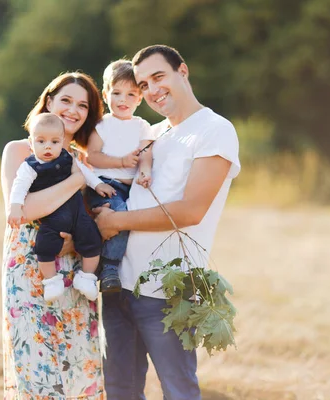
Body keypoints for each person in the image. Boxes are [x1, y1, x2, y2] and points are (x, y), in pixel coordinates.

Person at [94, 45, 241, 400]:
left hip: (167, 292)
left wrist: (115, 220)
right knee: (120, 391)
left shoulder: (214, 130)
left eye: (159, 77)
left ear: (183, 72)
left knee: (178, 390)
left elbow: (191, 210)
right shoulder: (152, 133)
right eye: (143, 85)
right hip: (118, 286)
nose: (152, 90)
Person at [0, 72, 106, 399]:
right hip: (31, 269)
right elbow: (26, 210)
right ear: (49, 102)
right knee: (37, 367)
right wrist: (75, 180)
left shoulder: (83, 159)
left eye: (83, 105)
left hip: (76, 273)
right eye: (66, 100)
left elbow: (90, 218)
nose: (73, 110)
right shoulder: (19, 151)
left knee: (79, 367)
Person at [7, 113, 102, 302]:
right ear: (30, 142)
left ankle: (87, 277)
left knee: (92, 238)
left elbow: (84, 173)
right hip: (52, 219)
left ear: (62, 142)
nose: (48, 146)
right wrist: (15, 206)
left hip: (77, 215)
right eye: (41, 141)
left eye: (55, 141)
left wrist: (99, 185)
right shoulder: (30, 166)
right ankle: (51, 281)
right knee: (44, 246)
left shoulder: (68, 157)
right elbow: (19, 186)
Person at [85, 59, 155, 293]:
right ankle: (109, 268)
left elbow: (146, 153)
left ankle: (104, 264)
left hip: (131, 187)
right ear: (106, 94)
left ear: (140, 98)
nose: (123, 100)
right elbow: (93, 156)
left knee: (133, 222)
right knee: (119, 218)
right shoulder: (102, 125)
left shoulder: (142, 126)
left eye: (130, 94)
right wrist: (121, 162)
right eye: (116, 93)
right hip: (104, 185)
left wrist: (145, 171)